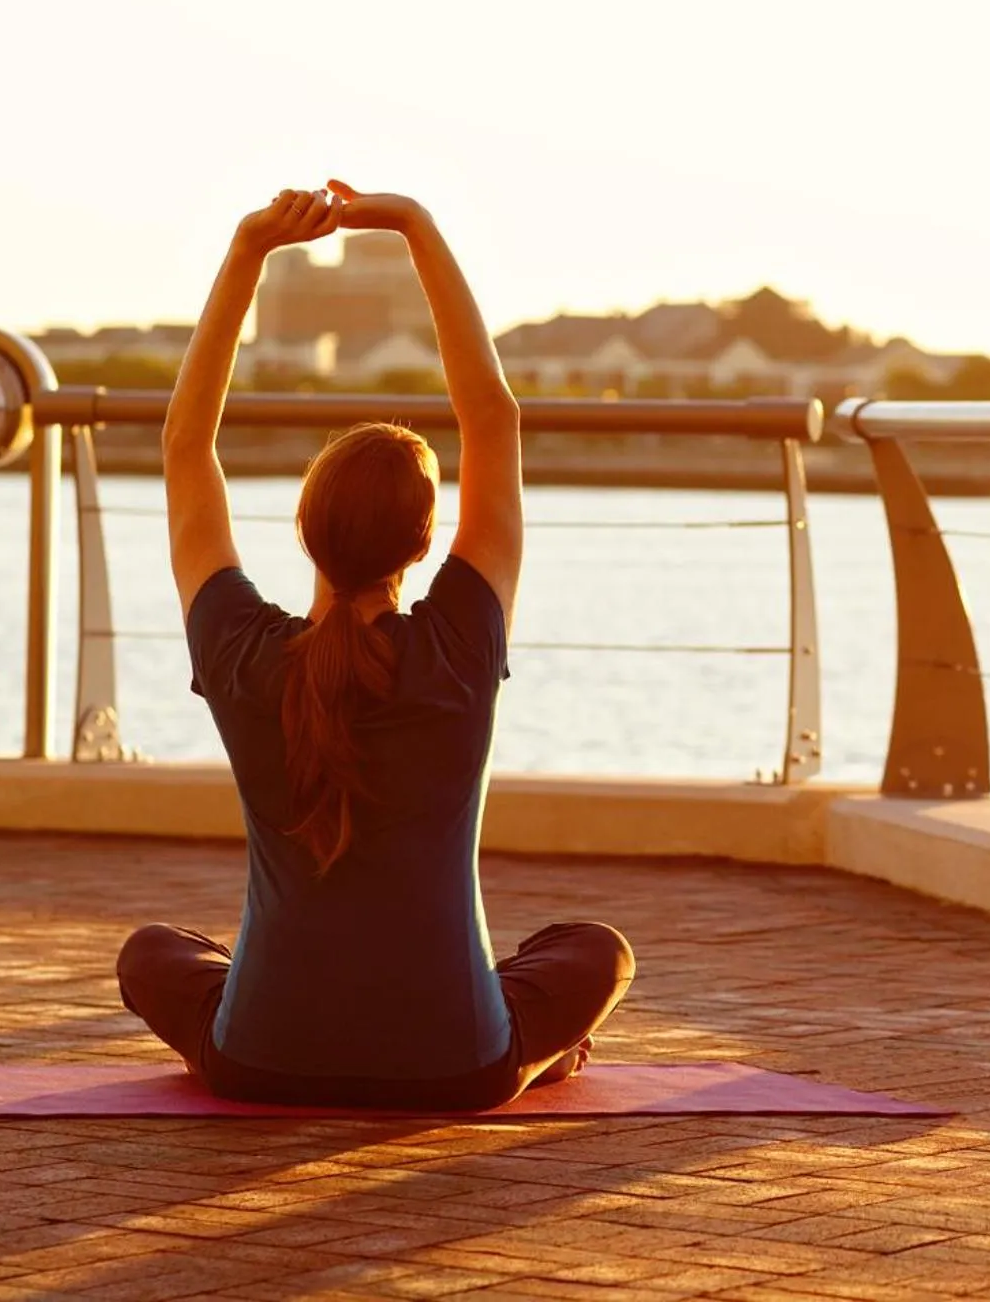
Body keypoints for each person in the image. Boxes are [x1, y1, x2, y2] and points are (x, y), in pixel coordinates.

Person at [115, 183, 633, 1110]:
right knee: (596, 952)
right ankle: (536, 1055)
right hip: (455, 1069)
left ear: (305, 531)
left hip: (262, 1059)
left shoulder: (241, 651)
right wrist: (415, 226)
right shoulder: (459, 646)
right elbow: (493, 417)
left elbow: (186, 445)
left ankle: (283, 1001)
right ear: (426, 541)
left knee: (153, 955)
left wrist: (246, 251)